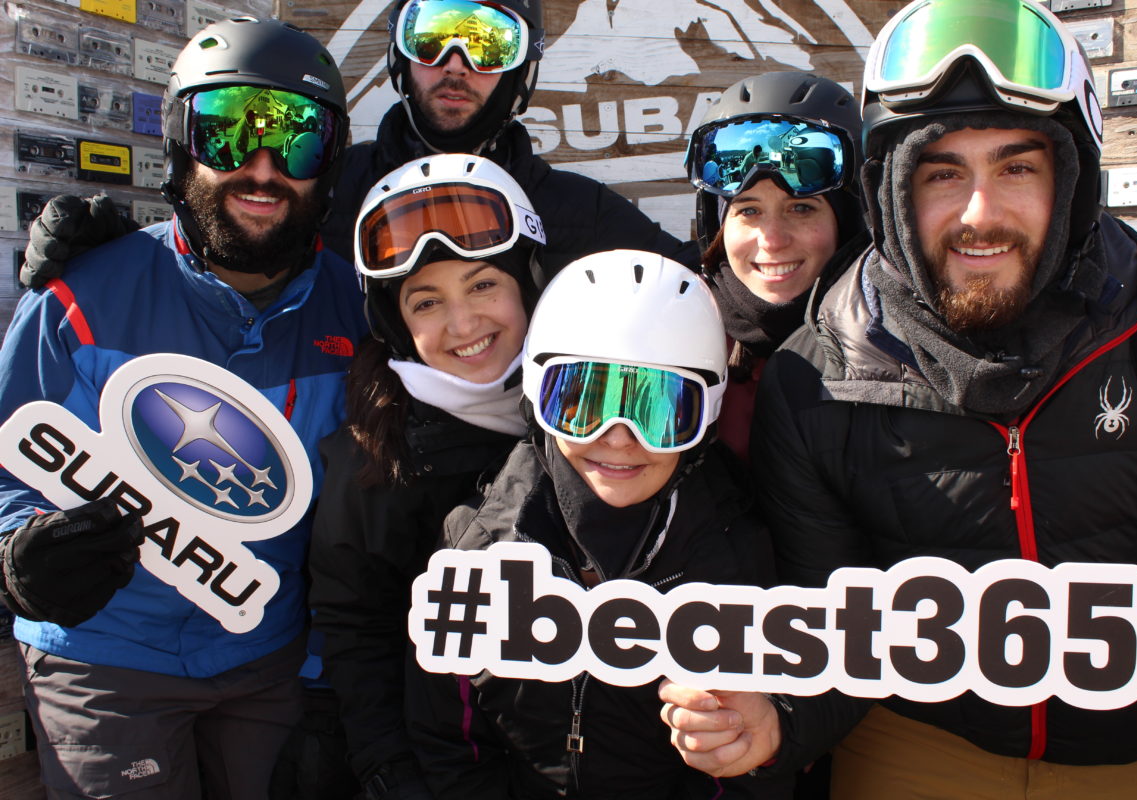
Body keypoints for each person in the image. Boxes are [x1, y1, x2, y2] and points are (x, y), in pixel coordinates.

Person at [660, 0, 1137, 796]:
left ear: (1074, 181)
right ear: (890, 195)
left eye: (1018, 167)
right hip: (920, 738)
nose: (980, 214)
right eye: (943, 173)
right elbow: (830, 629)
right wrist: (777, 718)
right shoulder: (817, 380)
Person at [0, 18, 367, 799]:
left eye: (298, 141)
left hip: (269, 656)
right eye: (227, 133)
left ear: (329, 164)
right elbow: (5, 462)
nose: (262, 170)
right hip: (107, 657)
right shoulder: (81, 297)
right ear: (179, 141)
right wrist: (16, 558)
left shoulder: (360, 313)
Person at [406, 250, 791, 799]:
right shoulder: (476, 547)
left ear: (704, 414)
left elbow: (741, 770)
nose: (617, 436)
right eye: (583, 402)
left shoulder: (735, 565)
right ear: (540, 397)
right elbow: (449, 736)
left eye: (658, 408)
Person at [18, 0, 696, 289]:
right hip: (345, 508)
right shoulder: (327, 187)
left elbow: (708, 292)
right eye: (431, 36)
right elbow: (224, 257)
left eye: (487, 42)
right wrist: (112, 253)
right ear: (401, 54)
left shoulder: (582, 216)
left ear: (520, 68)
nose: (456, 63)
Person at [308, 153, 544, 799]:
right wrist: (389, 770)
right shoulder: (375, 459)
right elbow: (357, 631)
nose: (464, 325)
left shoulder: (585, 413)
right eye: (427, 301)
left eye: (483, 285)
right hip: (447, 767)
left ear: (528, 282)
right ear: (396, 324)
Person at [684, 72, 864, 461]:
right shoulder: (678, 337)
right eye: (749, 210)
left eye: (801, 208)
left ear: (847, 224)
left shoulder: (891, 346)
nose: (772, 239)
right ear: (718, 228)